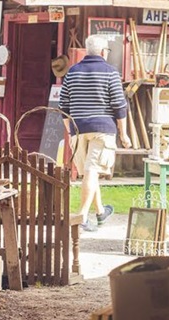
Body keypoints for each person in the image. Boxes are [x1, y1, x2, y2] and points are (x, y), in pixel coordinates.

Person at [60, 35, 132, 232]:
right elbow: (119, 106)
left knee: (90, 172)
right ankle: (82, 215)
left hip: (78, 129)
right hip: (102, 129)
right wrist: (124, 135)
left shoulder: (72, 72)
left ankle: (100, 212)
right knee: (92, 172)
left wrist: (70, 132)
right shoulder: (111, 72)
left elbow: (63, 105)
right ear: (103, 52)